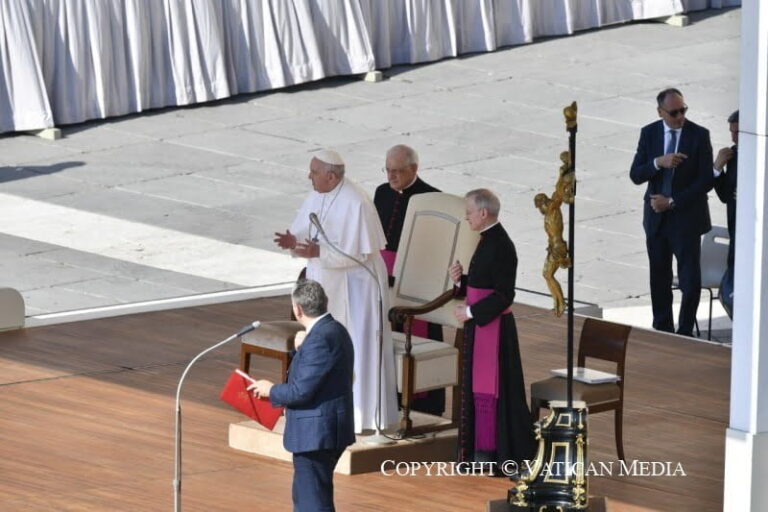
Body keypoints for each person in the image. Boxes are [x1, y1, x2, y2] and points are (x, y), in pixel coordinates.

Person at [273, 149, 398, 433]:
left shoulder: (357, 202)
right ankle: (323, 408)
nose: (309, 176)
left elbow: (358, 254)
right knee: (324, 345)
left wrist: (320, 251)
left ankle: (363, 415)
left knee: (357, 345)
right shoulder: (318, 193)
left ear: (331, 175)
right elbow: (306, 232)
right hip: (327, 283)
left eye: (314, 172)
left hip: (358, 288)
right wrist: (295, 241)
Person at [249, 280, 354, 512]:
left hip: (316, 433)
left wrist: (270, 389)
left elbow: (301, 391)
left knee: (312, 502)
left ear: (298, 309)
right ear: (324, 302)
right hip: (325, 429)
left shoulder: (319, 339)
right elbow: (320, 374)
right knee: (308, 495)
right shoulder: (334, 330)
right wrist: (299, 350)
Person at [449, 189, 536, 469]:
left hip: (495, 331)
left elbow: (504, 294)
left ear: (484, 213)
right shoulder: (487, 239)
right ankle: (479, 453)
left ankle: (500, 455)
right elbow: (481, 282)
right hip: (480, 327)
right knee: (475, 389)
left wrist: (472, 311)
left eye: (470, 212)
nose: (467, 216)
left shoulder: (502, 245)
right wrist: (461, 281)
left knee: (500, 393)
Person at [630, 88, 714, 336]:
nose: (680, 116)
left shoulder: (699, 135)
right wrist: (659, 162)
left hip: (685, 218)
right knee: (659, 276)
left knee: (689, 279)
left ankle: (685, 330)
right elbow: (636, 174)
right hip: (656, 217)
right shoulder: (650, 133)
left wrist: (673, 201)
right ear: (661, 112)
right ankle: (662, 327)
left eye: (683, 110)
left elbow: (705, 180)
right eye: (674, 112)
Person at [373, 144, 444, 416]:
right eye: (388, 170)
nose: (391, 177)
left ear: (414, 169)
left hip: (415, 279)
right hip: (383, 279)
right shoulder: (381, 192)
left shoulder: (432, 198)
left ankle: (422, 404)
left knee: (415, 336)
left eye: (397, 171)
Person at [713, 110, 739, 318]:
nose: (733, 137)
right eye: (731, 132)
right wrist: (717, 168)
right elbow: (725, 195)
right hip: (736, 231)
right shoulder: (733, 155)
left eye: (737, 132)